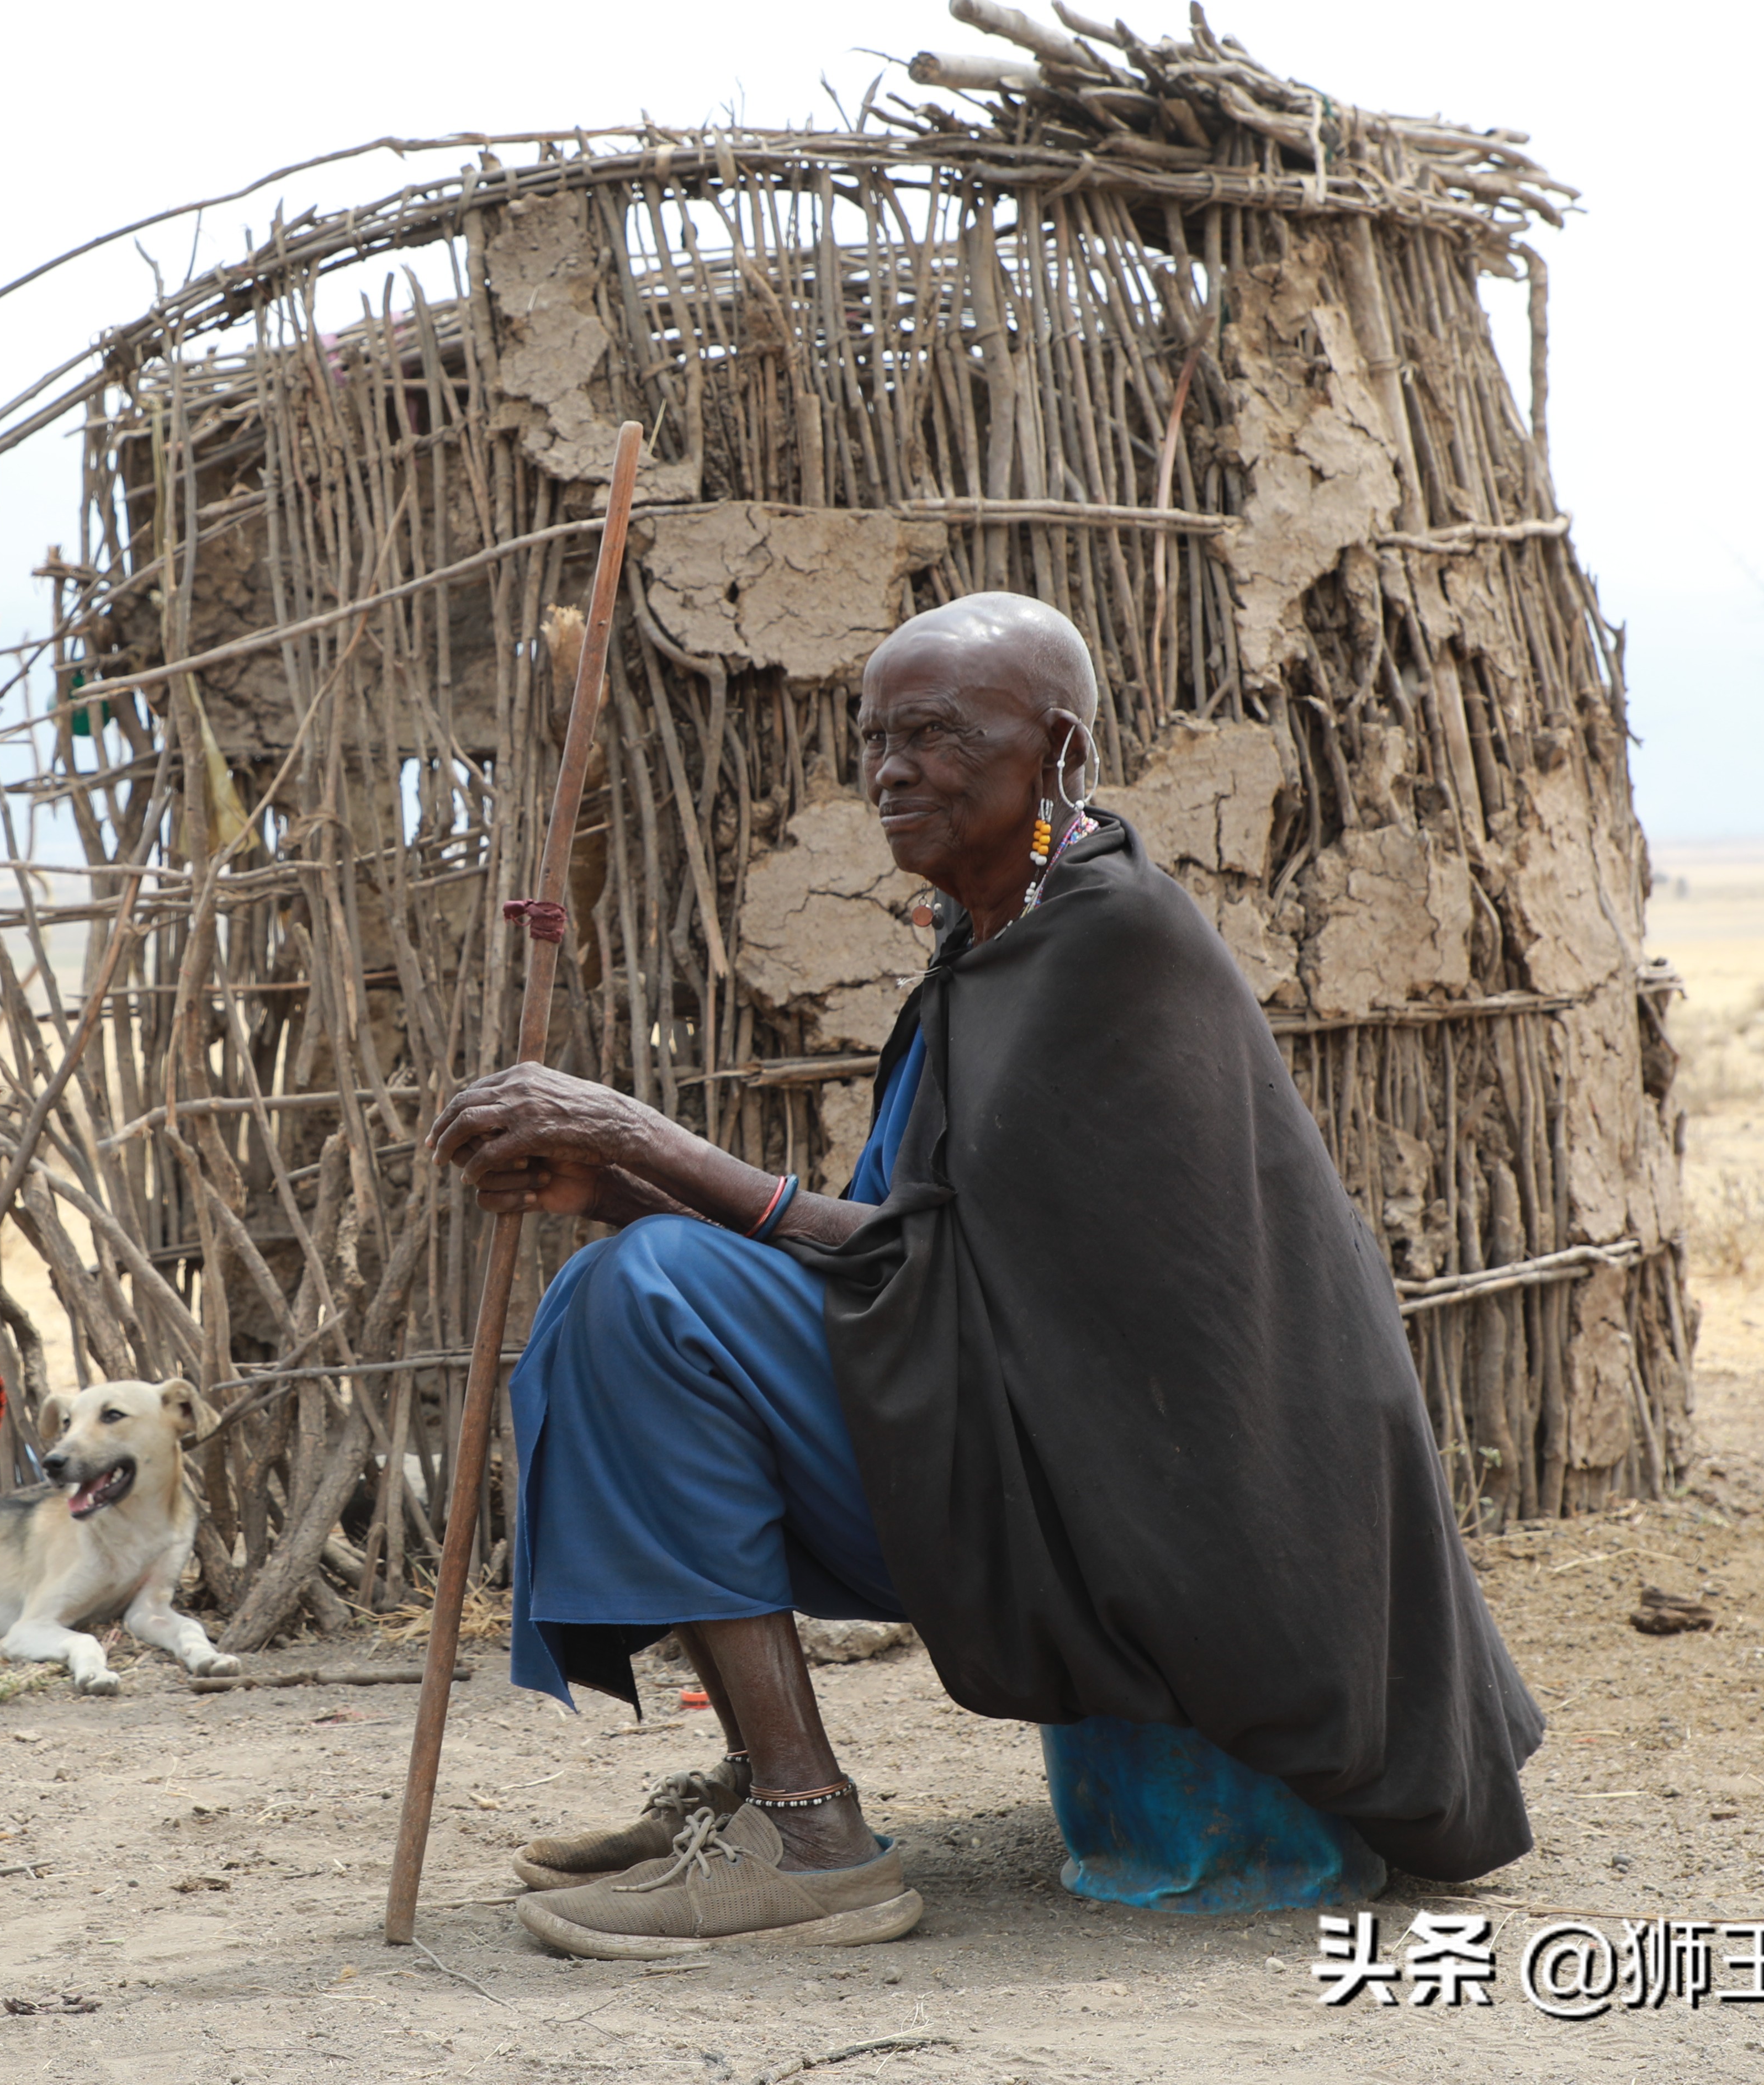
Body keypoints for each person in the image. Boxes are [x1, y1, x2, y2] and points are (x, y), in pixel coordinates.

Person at [427, 593, 1544, 1956]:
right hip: (1045, 1453)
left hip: (1178, 1511)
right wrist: (622, 1184)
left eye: (938, 733)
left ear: (1059, 751)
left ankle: (810, 1834)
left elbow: (941, 1274)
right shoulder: (998, 942)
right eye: (875, 735)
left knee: (648, 1293)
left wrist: (649, 1145)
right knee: (622, 1285)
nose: (890, 767)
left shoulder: (1112, 940)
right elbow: (931, 1259)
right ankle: (764, 1789)